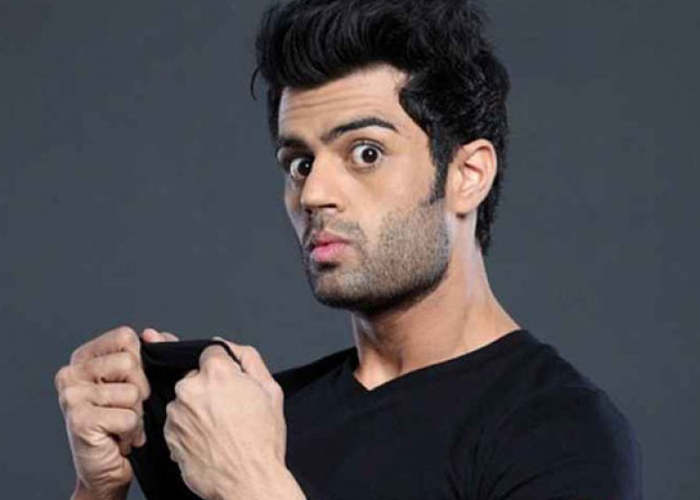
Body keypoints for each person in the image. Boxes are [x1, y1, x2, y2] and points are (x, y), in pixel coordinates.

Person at [54, 0, 643, 499]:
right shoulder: (258, 417)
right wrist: (98, 487)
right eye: (299, 163)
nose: (314, 193)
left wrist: (252, 482)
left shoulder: (559, 433)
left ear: (468, 175)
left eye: (365, 153)